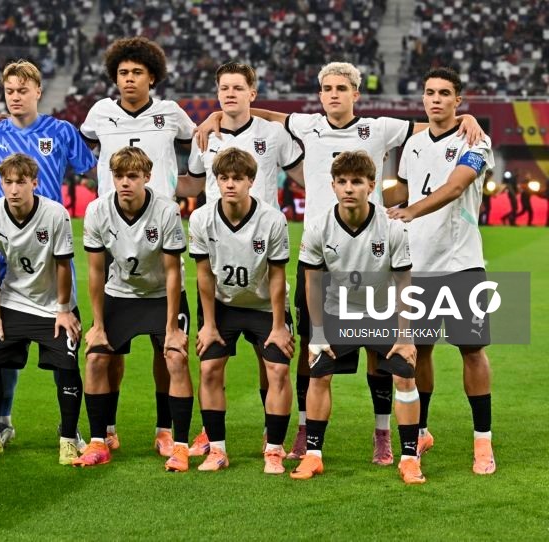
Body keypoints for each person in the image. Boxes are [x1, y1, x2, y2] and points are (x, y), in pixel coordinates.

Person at [196, 61, 483, 463]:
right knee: (313, 349)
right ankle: (302, 430)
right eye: (327, 88)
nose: (333, 94)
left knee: (377, 352)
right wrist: (216, 115)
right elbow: (265, 114)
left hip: (372, 253)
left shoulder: (381, 127)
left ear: (355, 94)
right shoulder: (306, 124)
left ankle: (382, 434)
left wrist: (466, 118)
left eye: (341, 88)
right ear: (320, 94)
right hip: (320, 253)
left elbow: (432, 127)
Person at [79, 37, 196, 456]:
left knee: (166, 349)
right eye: (123, 73)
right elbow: (81, 144)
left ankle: (165, 429)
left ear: (152, 77)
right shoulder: (100, 114)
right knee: (110, 347)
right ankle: (106, 427)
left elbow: (198, 142)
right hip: (115, 228)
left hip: (159, 223)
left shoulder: (170, 115)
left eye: (137, 73)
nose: (129, 79)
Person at [182, 61, 303, 457]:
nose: (229, 94)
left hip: (263, 248)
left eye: (238, 87)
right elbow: (195, 183)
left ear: (253, 91)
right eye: (223, 89)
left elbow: (304, 172)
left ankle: (275, 440)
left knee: (271, 362)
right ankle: (210, 434)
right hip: (220, 249)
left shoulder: (273, 134)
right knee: (211, 362)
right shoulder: (205, 138)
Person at [0, 60, 96, 445]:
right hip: (5, 245)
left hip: (50, 244)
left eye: (23, 90)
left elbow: (91, 168)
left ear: (38, 92)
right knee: (3, 341)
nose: (15, 96)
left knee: (66, 330)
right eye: (10, 90)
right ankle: (3, 422)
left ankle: (70, 427)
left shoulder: (60, 131)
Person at [291, 150, 424, 484]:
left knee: (405, 375)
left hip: (384, 313)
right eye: (342, 182)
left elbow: (404, 281)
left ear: (371, 185)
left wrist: (405, 335)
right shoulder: (319, 227)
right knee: (318, 374)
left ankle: (409, 458)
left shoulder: (391, 229)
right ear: (333, 186)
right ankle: (313, 456)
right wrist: (318, 333)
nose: (349, 188)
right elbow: (313, 281)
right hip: (340, 313)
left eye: (357, 182)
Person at [387, 67, 496, 475]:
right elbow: (403, 190)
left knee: (472, 350)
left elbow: (454, 187)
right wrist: (372, 203)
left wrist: (410, 211)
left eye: (444, 93)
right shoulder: (413, 144)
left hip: (461, 263)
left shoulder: (476, 140)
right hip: (418, 264)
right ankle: (422, 430)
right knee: (421, 351)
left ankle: (482, 442)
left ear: (458, 101)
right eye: (430, 92)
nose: (435, 99)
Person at [72, 147, 193, 471]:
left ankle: (172, 439)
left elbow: (172, 273)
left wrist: (171, 329)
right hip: (120, 293)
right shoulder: (98, 210)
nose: (125, 183)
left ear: (146, 177)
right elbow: (96, 272)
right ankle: (102, 439)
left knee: (173, 356)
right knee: (97, 355)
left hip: (162, 295)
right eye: (119, 176)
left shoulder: (166, 211)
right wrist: (97, 324)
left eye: (133, 176)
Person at [0, 153, 84, 464]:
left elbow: (63, 265)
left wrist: (63, 309)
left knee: (67, 365)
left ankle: (68, 438)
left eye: (21, 182)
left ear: (35, 183)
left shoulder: (55, 214)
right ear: (0, 184)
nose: (14, 189)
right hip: (13, 302)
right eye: (8, 182)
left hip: (53, 306)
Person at [189, 148, 295, 474]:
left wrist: (279, 326)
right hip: (223, 306)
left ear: (251, 181)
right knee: (209, 370)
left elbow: (277, 276)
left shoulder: (272, 220)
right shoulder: (201, 218)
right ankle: (217, 450)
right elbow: (203, 275)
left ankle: (274, 450)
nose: (230, 184)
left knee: (277, 370)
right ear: (216, 181)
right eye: (224, 178)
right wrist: (208, 325)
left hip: (265, 306)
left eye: (238, 178)